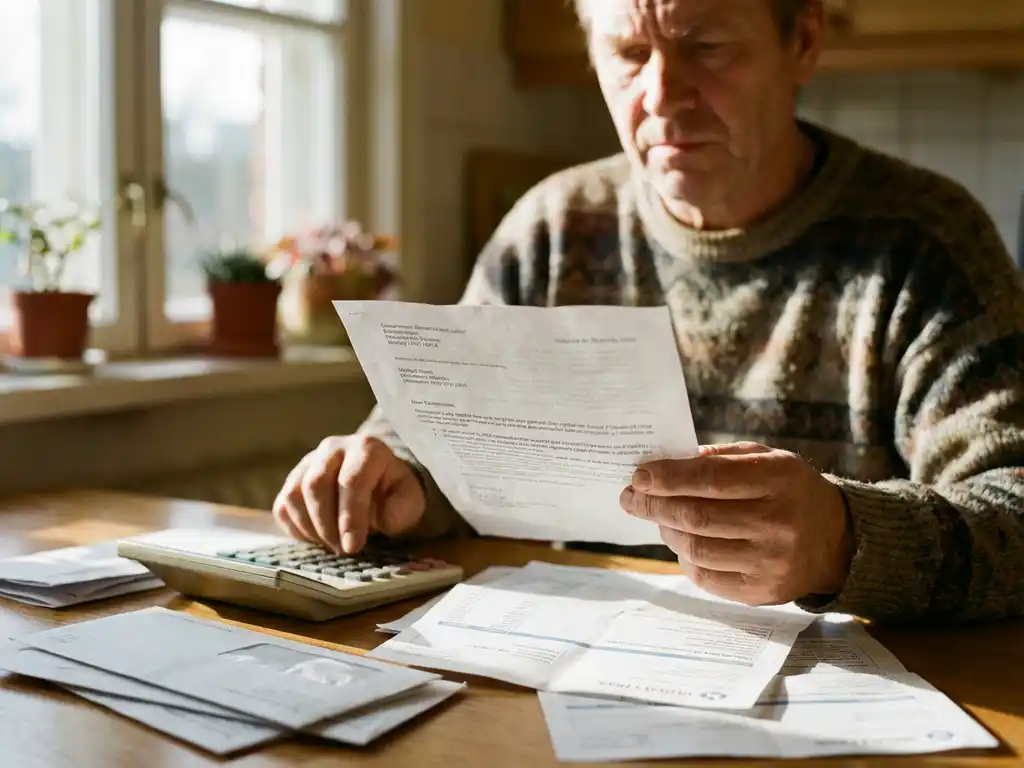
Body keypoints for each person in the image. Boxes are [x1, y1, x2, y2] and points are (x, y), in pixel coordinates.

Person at [272, 0, 1024, 624]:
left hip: (854, 696)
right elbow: (444, 452)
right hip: (581, 662)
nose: (663, 94)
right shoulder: (553, 229)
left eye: (707, 47)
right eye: (630, 53)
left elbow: (1012, 511)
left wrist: (844, 538)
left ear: (802, 42)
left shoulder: (926, 241)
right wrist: (391, 479)